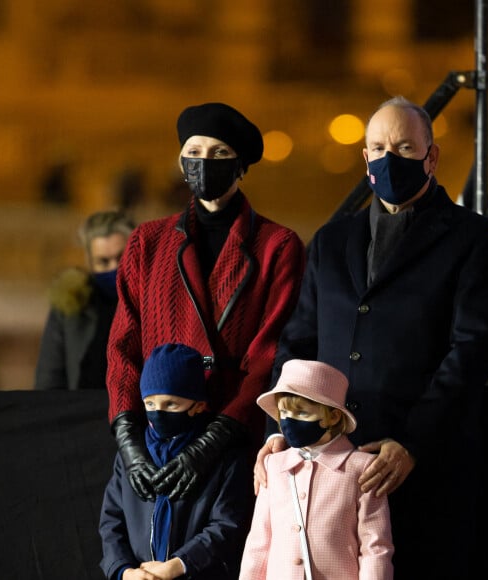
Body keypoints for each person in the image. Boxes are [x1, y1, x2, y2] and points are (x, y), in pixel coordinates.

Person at [255, 96, 488, 579]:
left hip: (429, 473)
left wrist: (412, 443)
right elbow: (299, 346)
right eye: (378, 147)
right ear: (365, 158)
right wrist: (278, 431)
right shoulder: (331, 242)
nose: (389, 157)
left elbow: (471, 353)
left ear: (430, 157)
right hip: (330, 477)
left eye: (403, 146)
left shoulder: (476, 242)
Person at [106, 102, 306, 504]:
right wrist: (129, 440)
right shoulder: (147, 242)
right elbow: (123, 347)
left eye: (219, 153)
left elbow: (270, 354)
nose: (204, 163)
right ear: (181, 162)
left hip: (233, 441)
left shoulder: (277, 246)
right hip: (156, 439)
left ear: (241, 166)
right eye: (194, 153)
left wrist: (216, 438)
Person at [100, 343, 252, 580]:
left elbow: (227, 524)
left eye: (171, 404)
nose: (157, 412)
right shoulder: (131, 456)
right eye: (150, 404)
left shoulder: (225, 458)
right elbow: (111, 521)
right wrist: (124, 570)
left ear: (198, 406)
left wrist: (179, 565)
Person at [239, 359, 394, 580]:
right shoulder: (274, 466)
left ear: (333, 416)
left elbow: (375, 548)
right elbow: (259, 541)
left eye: (302, 414)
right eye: (283, 414)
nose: (288, 422)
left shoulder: (362, 468)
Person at [35, 209, 135, 390]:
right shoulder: (71, 303)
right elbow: (49, 376)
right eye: (103, 262)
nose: (114, 267)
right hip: (84, 410)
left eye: (121, 258)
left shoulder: (153, 301)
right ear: (89, 261)